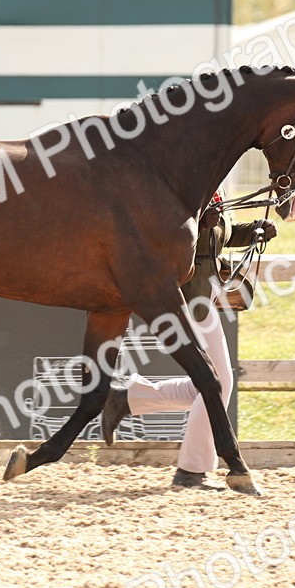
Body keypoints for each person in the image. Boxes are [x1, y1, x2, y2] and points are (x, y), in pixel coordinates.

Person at [100, 193, 277, 489]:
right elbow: (175, 238)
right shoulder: (182, 190)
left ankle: (127, 398)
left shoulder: (212, 186)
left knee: (208, 385)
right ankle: (191, 470)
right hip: (183, 303)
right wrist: (200, 224)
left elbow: (220, 237)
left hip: (203, 303)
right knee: (216, 385)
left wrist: (253, 231)